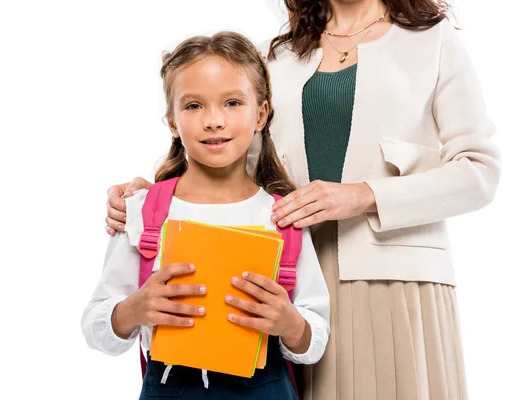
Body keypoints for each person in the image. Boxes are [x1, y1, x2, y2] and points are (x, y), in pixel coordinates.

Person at [105, 1, 501, 399]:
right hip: (284, 273)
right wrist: (151, 190)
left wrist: (363, 196)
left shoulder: (435, 41)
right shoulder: (272, 54)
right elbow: (226, 159)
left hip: (394, 278)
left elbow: (480, 171)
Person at [82, 31, 330, 399]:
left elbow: (315, 335)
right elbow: (95, 327)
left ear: (261, 114)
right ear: (171, 121)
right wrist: (132, 310)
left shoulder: (282, 215)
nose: (214, 120)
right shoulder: (141, 212)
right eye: (194, 106)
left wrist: (289, 322)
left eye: (232, 102)